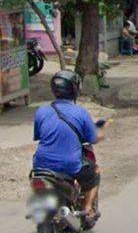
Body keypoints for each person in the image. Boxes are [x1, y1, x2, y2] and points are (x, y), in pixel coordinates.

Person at [33, 70, 104, 219]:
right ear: (75, 89)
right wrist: (100, 132)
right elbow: (93, 138)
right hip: (69, 164)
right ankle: (87, 208)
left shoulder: (41, 111)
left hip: (40, 164)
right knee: (95, 172)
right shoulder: (81, 112)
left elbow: (39, 135)